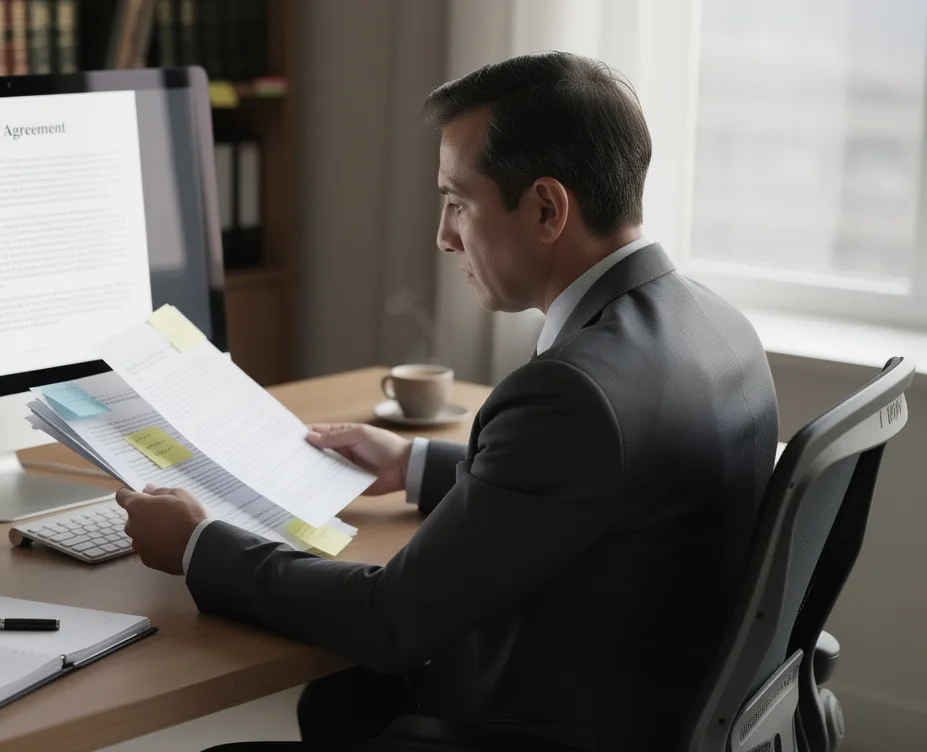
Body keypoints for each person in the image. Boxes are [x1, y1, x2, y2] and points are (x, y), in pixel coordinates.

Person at [116, 51, 778, 752]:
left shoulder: (571, 393)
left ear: (548, 208)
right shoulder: (716, 326)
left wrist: (197, 543)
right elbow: (605, 486)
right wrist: (418, 465)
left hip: (555, 723)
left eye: (458, 201)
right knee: (341, 702)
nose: (443, 234)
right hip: (655, 701)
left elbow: (390, 619)